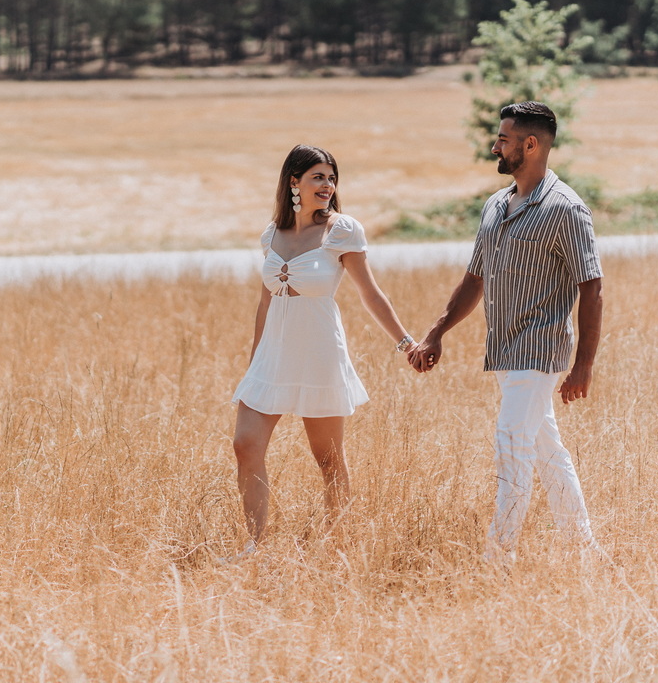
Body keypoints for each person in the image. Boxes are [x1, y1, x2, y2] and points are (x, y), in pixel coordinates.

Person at [409, 101, 603, 567]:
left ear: (530, 145)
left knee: (511, 444)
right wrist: (437, 333)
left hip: (539, 351)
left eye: (503, 138)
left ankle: (498, 558)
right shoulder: (496, 205)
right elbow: (475, 277)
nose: (495, 145)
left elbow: (591, 287)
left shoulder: (566, 210)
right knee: (546, 451)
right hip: (504, 349)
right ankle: (584, 550)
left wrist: (584, 365)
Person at [229, 144, 414, 560]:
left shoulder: (342, 230)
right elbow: (265, 303)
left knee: (327, 459)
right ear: (294, 182)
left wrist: (405, 342)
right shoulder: (272, 234)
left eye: (331, 177)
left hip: (319, 355)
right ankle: (255, 546)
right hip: (272, 358)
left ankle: (338, 547)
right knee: (246, 444)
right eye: (318, 176)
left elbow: (370, 293)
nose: (327, 185)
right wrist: (255, 361)